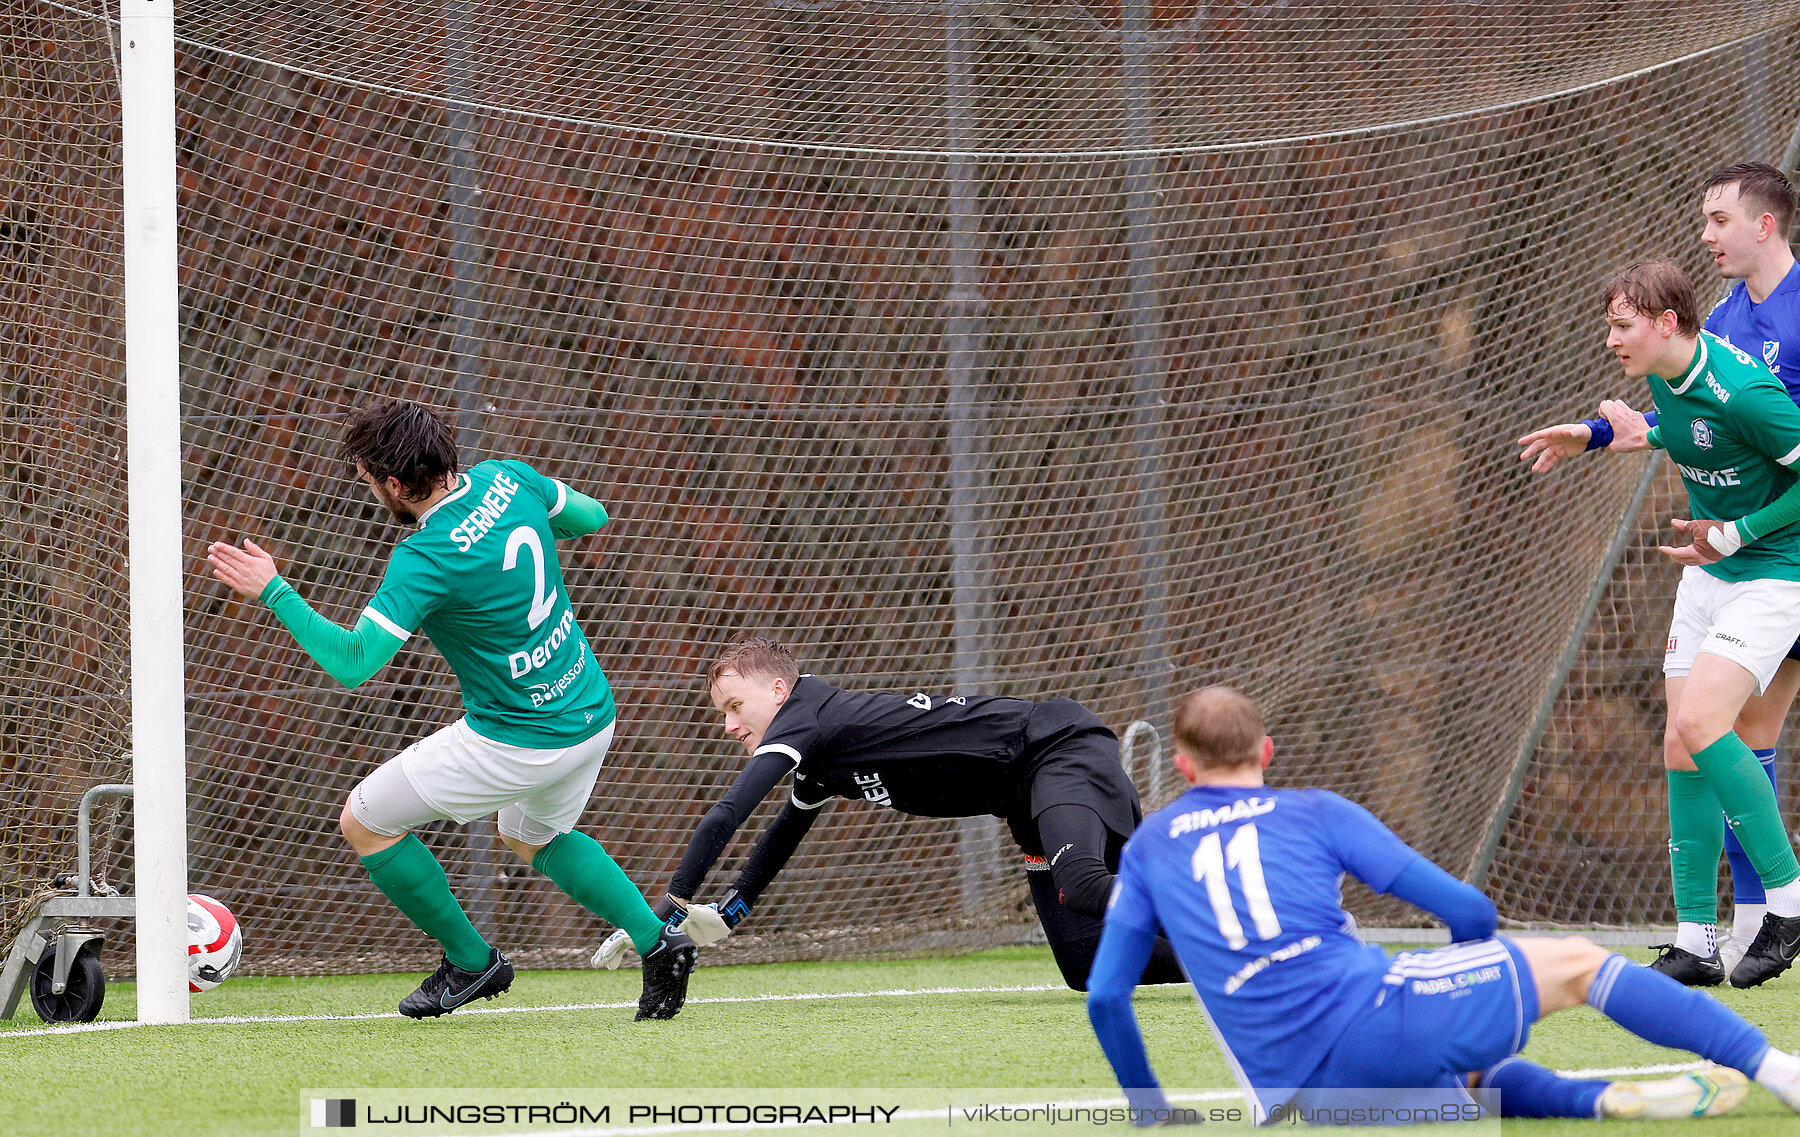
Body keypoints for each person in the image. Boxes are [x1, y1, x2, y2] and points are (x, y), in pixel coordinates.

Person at [1087, 686, 1800, 1126]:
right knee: (1581, 963)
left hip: (1305, 1102)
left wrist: (1153, 1112)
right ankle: (1778, 1071)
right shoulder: (1313, 813)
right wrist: (1461, 976)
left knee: (1470, 1078)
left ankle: (1592, 1102)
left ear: (1182, 767)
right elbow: (1470, 909)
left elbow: (1106, 996)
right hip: (1374, 1021)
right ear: (1266, 749)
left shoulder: (1149, 846)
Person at [206, 399, 695, 1020]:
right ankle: (661, 944)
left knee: (364, 820)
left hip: (520, 736)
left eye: (366, 480)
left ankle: (472, 961)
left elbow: (354, 663)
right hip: (590, 710)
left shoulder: (427, 555)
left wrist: (274, 590)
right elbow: (591, 515)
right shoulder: (506, 477)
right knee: (534, 836)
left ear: (391, 483)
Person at [1522, 163, 1800, 970]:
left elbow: (1748, 420)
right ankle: (1721, 930)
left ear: (1765, 225)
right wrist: (1602, 432)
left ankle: (1778, 905)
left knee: (1719, 728)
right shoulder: (1718, 319)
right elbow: (1692, 419)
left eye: (1718, 219)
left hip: (1778, 551)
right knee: (1723, 737)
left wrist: (1738, 530)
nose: (1706, 233)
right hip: (1733, 549)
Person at [595, 636, 1185, 991]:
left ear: (778, 691)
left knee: (1082, 883)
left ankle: (1232, 917)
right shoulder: (818, 755)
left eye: (734, 706)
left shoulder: (805, 717)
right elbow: (779, 838)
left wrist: (667, 907)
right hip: (1024, 800)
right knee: (1085, 965)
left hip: (1056, 750)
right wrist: (730, 914)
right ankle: (1234, 958)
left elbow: (728, 814)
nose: (727, 725)